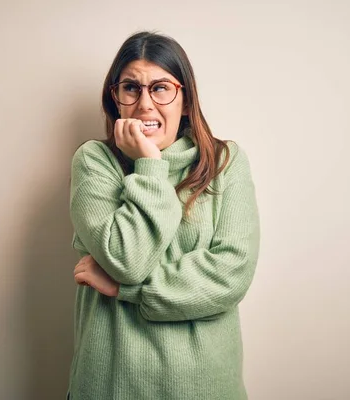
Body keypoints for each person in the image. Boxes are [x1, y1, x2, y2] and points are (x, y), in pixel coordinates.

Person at [67, 31, 260, 400]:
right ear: (116, 100)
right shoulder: (94, 162)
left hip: (203, 386)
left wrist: (126, 290)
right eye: (131, 88)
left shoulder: (225, 162)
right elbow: (127, 260)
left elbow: (230, 274)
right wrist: (150, 165)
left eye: (160, 88)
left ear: (185, 100)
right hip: (110, 384)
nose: (144, 104)